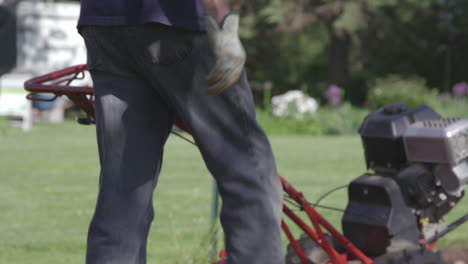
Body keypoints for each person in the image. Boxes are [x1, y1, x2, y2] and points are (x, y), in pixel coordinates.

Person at [77, 1, 284, 263]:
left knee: (122, 192)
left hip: (104, 24)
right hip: (178, 20)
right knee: (246, 170)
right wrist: (219, 17)